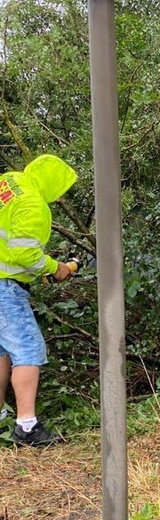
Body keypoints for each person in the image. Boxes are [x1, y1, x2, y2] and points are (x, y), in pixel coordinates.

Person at [0, 154, 77, 446]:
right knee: (28, 350)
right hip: (4, 286)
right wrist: (55, 268)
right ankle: (27, 426)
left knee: (2, 350)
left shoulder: (9, 182)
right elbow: (25, 254)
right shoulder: (33, 202)